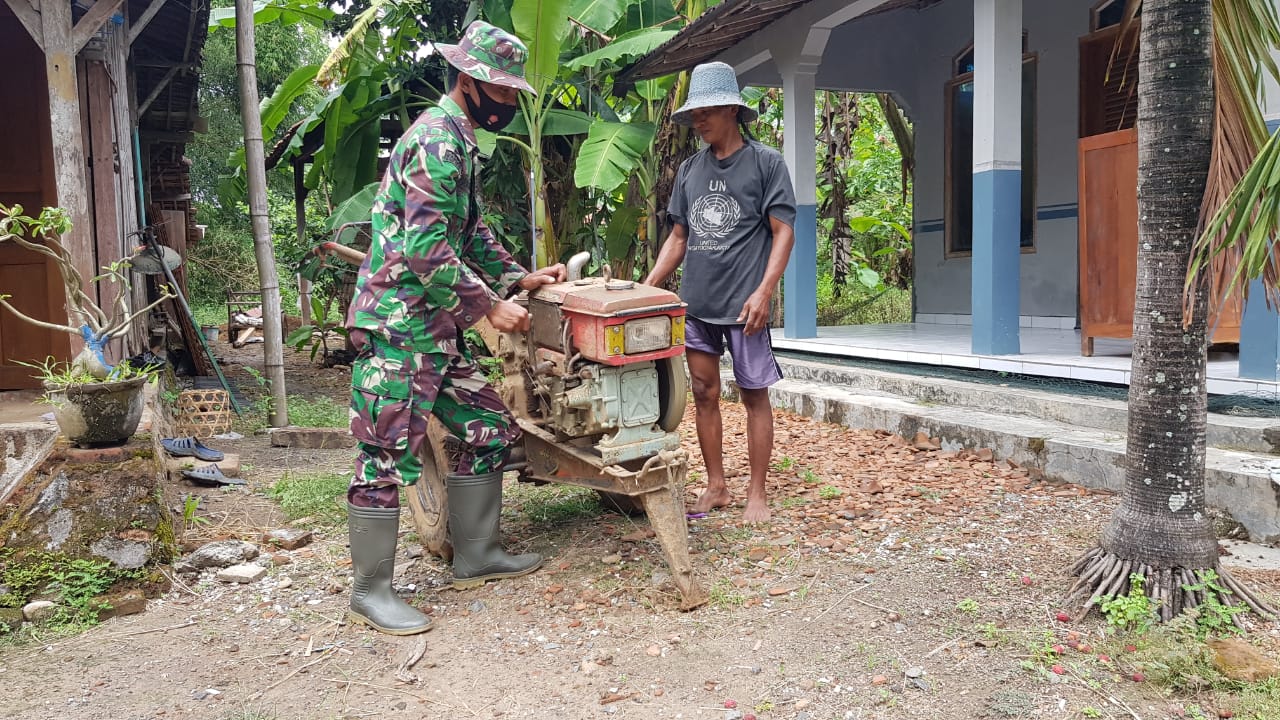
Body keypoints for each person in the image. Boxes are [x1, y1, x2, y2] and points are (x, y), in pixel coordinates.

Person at [344, 20, 566, 635]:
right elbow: (423, 247)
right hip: (399, 327)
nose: (511, 104)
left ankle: (476, 555)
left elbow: (469, 234)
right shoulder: (437, 140)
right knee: (384, 452)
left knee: (490, 426)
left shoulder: (460, 142)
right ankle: (371, 590)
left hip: (435, 328)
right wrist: (488, 306)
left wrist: (519, 278)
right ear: (470, 82)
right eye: (504, 91)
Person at [643, 62, 796, 524]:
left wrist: (764, 291)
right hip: (697, 307)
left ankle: (757, 493)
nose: (699, 121)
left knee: (754, 396)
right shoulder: (690, 170)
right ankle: (717, 487)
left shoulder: (766, 163)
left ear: (731, 108)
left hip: (744, 307)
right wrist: (647, 288)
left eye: (706, 111)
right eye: (694, 114)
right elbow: (678, 238)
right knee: (705, 393)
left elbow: (783, 230)